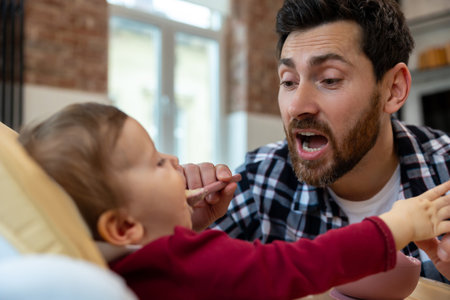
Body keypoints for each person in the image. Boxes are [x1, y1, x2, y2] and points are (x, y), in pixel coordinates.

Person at [18, 102, 450, 300]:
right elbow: (294, 266)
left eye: (330, 80)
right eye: (154, 163)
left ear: (394, 90)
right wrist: (396, 227)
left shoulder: (117, 264)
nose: (174, 160)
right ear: (123, 228)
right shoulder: (176, 258)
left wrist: (187, 227)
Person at [183, 0, 450, 283]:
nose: (297, 106)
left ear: (393, 89)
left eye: (330, 79)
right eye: (288, 81)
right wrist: (179, 227)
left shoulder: (444, 168)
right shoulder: (263, 179)